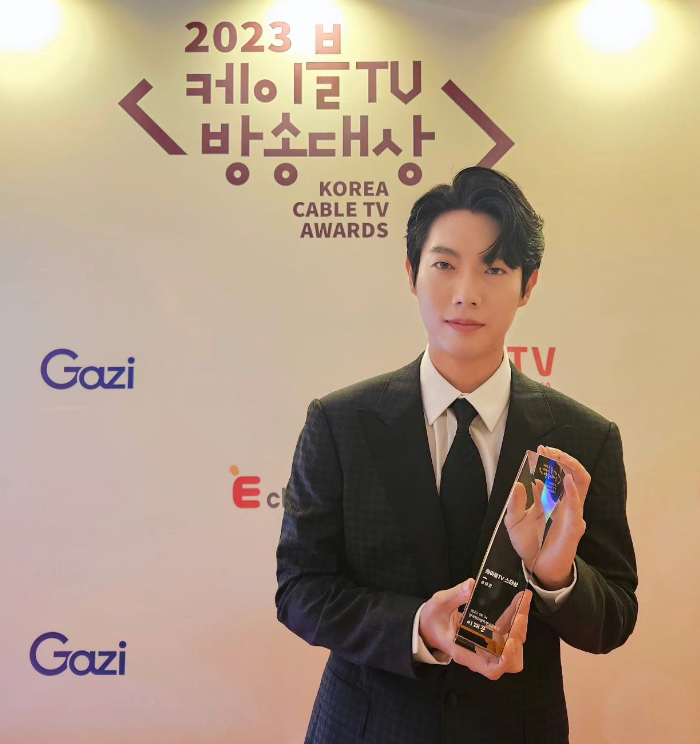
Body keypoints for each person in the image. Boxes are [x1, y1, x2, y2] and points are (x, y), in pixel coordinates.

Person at [274, 166, 638, 744]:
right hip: (368, 728)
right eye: (444, 264)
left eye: (494, 268)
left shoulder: (582, 437)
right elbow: (300, 589)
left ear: (528, 285)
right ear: (412, 273)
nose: (466, 292)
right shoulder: (341, 424)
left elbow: (613, 620)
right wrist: (417, 626)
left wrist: (556, 576)